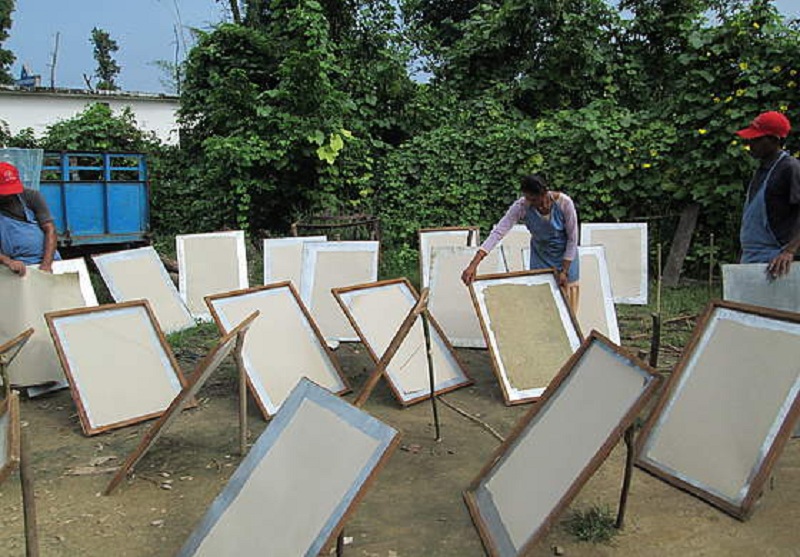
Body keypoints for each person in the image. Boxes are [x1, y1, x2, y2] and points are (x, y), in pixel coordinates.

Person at [461, 173, 580, 312]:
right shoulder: (521, 206)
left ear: (544, 193)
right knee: (541, 305)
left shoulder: (565, 203)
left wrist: (564, 271)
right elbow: (498, 232)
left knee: (568, 307)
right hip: (541, 257)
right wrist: (474, 264)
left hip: (566, 258)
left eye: (534, 199)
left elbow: (572, 239)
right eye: (528, 198)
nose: (531, 202)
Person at [735, 111, 800, 279]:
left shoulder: (790, 168)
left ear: (774, 140)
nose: (750, 143)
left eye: (756, 139)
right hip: (751, 257)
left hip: (777, 261)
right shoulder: (762, 170)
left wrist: (789, 251)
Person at [0, 161, 60, 276]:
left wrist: (46, 265)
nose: (9, 195)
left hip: (46, 260)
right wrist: (7, 261)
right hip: (14, 267)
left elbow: (50, 229)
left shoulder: (31, 197)